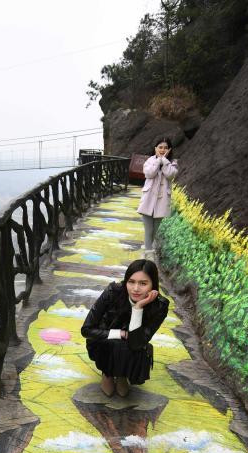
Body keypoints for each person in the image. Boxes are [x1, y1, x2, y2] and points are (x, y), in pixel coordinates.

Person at [81, 259, 169, 397]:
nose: (135, 289)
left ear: (153, 285)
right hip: (103, 342)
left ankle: (122, 375)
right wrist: (119, 333)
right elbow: (86, 330)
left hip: (133, 346)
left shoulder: (159, 306)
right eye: (131, 281)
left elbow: (136, 342)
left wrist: (138, 308)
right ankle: (108, 373)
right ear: (126, 281)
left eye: (143, 283)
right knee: (115, 343)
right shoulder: (112, 292)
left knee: (134, 344)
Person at [138, 137, 178, 257]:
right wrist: (158, 161)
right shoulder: (149, 161)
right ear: (155, 148)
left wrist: (164, 161)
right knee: (148, 230)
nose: (162, 149)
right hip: (148, 200)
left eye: (165, 147)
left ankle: (146, 249)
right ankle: (148, 255)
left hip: (162, 202)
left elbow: (170, 175)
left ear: (169, 149)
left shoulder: (173, 163)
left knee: (154, 231)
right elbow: (149, 173)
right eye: (160, 147)